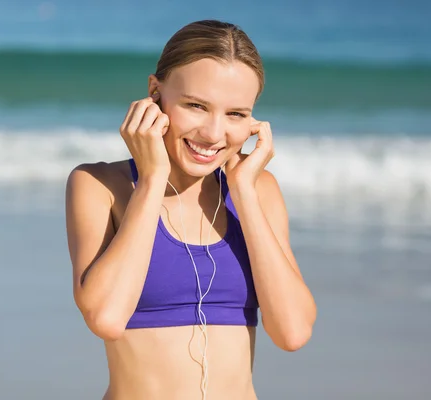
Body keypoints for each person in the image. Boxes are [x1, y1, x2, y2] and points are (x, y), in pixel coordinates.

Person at [65, 19, 317, 400]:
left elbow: (292, 332)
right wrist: (151, 181)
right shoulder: (100, 186)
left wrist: (244, 194)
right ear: (155, 93)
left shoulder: (258, 190)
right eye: (197, 106)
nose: (214, 134)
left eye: (236, 114)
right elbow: (106, 317)